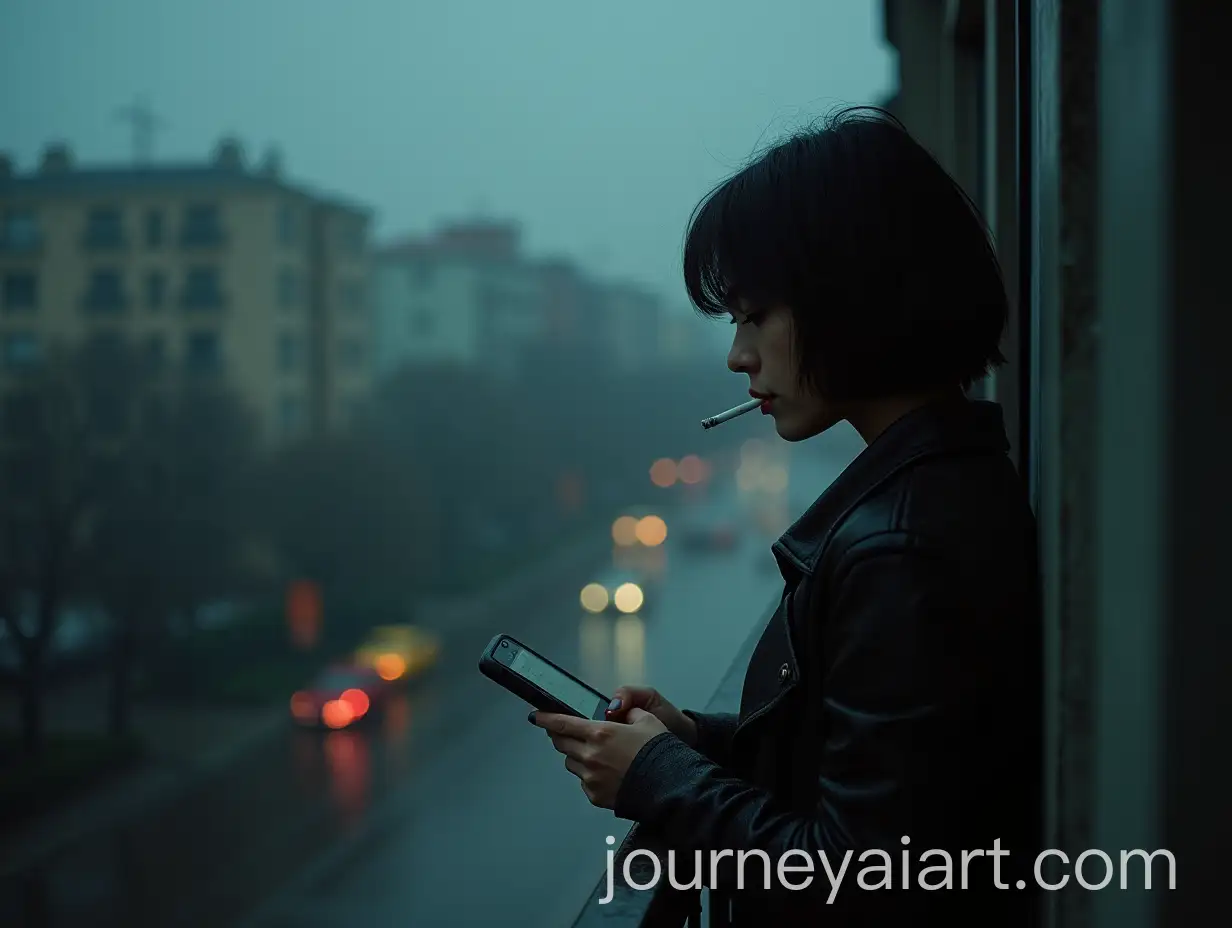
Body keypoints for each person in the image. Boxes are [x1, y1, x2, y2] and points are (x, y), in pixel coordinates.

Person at [529, 106, 1042, 925]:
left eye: (754, 314)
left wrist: (658, 777)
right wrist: (698, 742)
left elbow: (865, 876)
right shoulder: (936, 490)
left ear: (853, 298)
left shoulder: (904, 548)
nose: (738, 354)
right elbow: (876, 770)